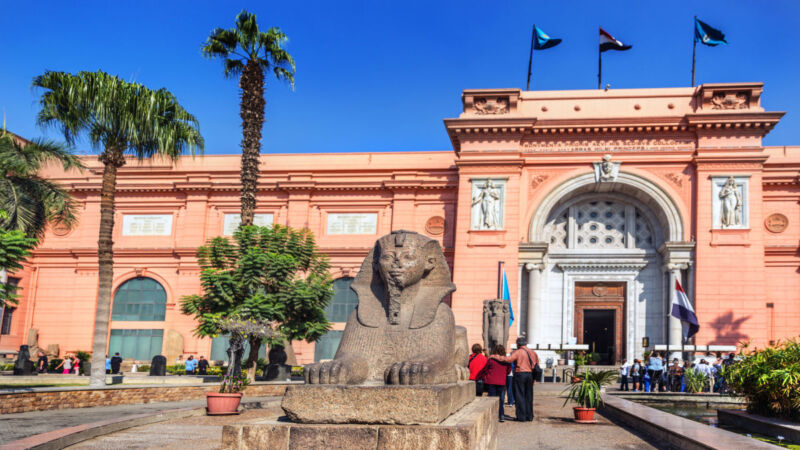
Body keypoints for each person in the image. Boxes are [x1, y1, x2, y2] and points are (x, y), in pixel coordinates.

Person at [490, 336, 539, 421]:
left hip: (520, 374)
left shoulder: (518, 352)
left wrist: (495, 356)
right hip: (530, 375)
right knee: (529, 396)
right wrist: (534, 379)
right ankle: (529, 416)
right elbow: (536, 365)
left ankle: (521, 417)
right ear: (525, 343)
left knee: (519, 395)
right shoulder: (533, 353)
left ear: (518, 344)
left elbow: (508, 360)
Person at [478, 345, 511, 422]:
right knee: (501, 399)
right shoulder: (506, 361)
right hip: (501, 382)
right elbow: (509, 371)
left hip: (491, 381)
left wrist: (483, 377)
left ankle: (492, 416)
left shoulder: (491, 360)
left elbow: (485, 369)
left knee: (491, 399)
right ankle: (501, 416)